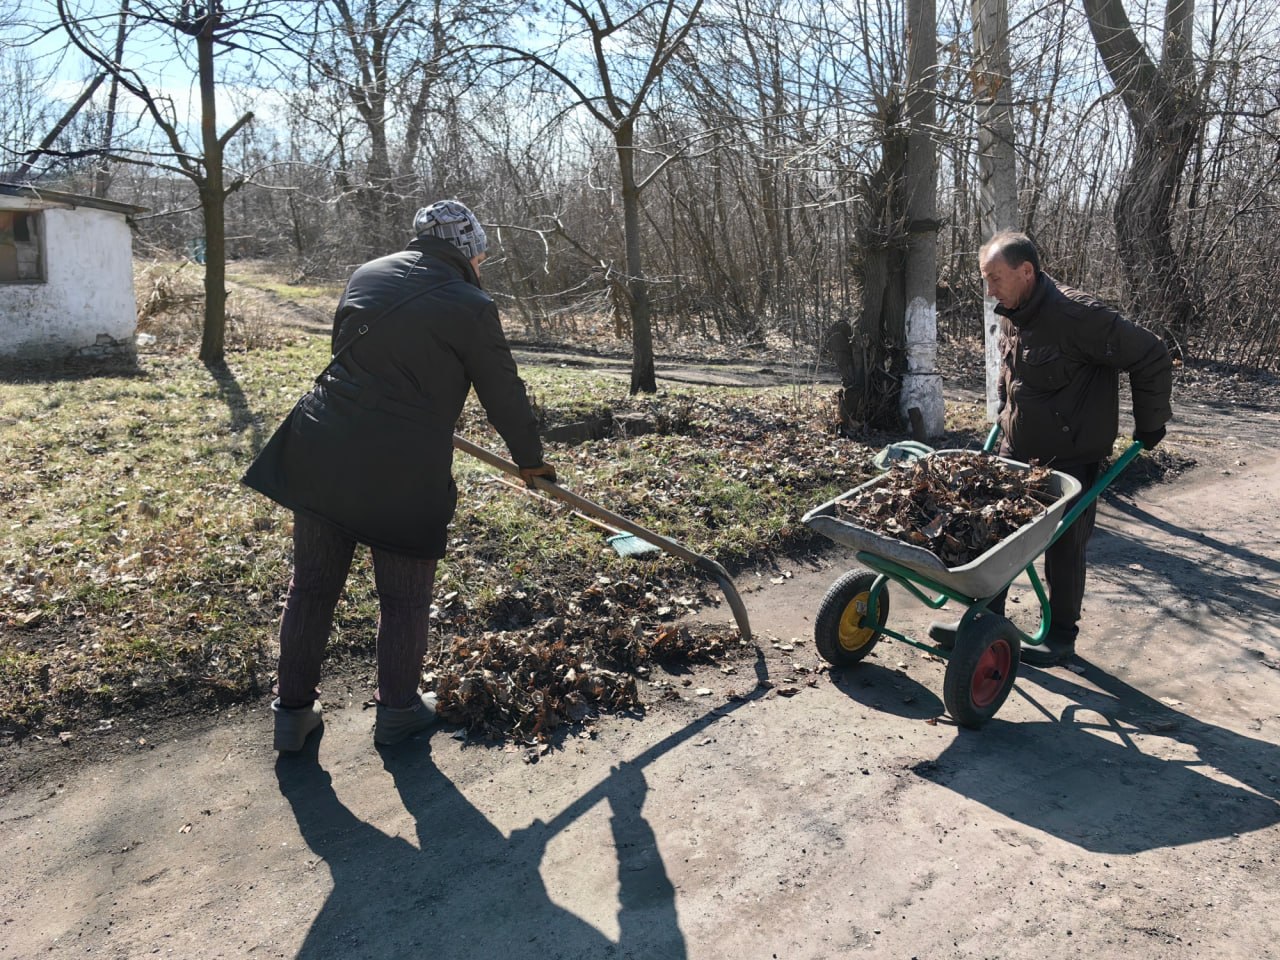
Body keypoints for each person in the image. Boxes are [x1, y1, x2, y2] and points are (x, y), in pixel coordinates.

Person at [243, 200, 556, 750]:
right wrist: (529, 460)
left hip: (322, 443)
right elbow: (503, 393)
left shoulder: (366, 274)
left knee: (311, 587)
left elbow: (352, 355)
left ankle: (291, 716)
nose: (482, 264)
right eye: (480, 254)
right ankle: (398, 713)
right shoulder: (471, 302)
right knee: (404, 598)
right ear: (467, 249)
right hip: (403, 466)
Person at [931, 230, 1172, 666]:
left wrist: (1150, 425)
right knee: (991, 535)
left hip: (1070, 457)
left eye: (995, 278)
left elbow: (1151, 354)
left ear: (1026, 272)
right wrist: (1004, 413)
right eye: (985, 279)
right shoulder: (1013, 311)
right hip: (1014, 447)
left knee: (1063, 548)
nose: (990, 290)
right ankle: (982, 623)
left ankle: (1060, 638)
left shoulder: (1079, 316)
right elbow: (1013, 373)